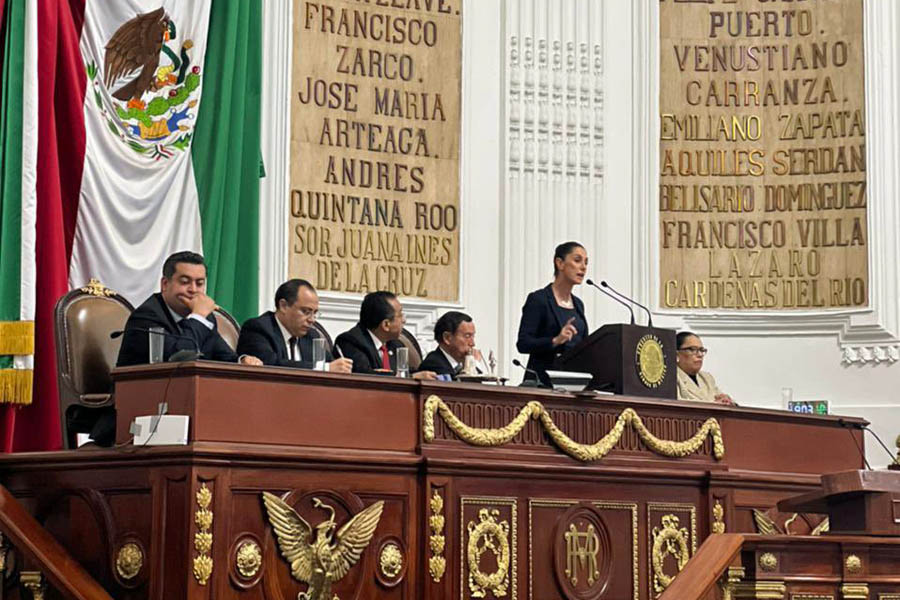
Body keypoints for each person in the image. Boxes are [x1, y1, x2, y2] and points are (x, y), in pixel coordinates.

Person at [117, 251, 262, 367]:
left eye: (199, 283)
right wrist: (198, 316)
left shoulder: (205, 317)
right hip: (141, 397)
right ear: (165, 284)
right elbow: (179, 358)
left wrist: (242, 361)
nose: (193, 290)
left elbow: (224, 357)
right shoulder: (147, 315)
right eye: (185, 282)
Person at [236, 279, 353, 372]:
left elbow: (330, 366)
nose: (312, 320)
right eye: (306, 312)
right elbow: (270, 365)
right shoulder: (258, 328)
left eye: (315, 313)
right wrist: (325, 368)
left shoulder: (311, 336)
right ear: (283, 306)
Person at [516, 241, 589, 386]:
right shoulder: (539, 300)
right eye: (577, 260)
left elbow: (584, 346)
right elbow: (523, 343)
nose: (583, 267)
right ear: (559, 263)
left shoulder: (578, 305)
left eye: (586, 262)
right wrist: (555, 340)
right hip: (543, 382)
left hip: (574, 384)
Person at [335, 291, 436, 379]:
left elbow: (407, 372)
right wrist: (411, 378)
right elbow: (365, 376)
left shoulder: (396, 345)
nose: (404, 320)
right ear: (386, 325)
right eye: (400, 315)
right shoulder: (351, 342)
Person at [675, 331, 736, 405]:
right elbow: (676, 403)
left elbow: (722, 399)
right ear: (677, 354)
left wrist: (726, 400)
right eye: (693, 349)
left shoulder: (706, 378)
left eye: (701, 350)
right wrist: (714, 404)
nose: (700, 355)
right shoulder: (672, 378)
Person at [417, 311, 482, 379]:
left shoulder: (460, 365)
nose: (473, 343)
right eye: (467, 336)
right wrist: (474, 364)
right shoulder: (433, 363)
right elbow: (461, 387)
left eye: (473, 336)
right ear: (447, 338)